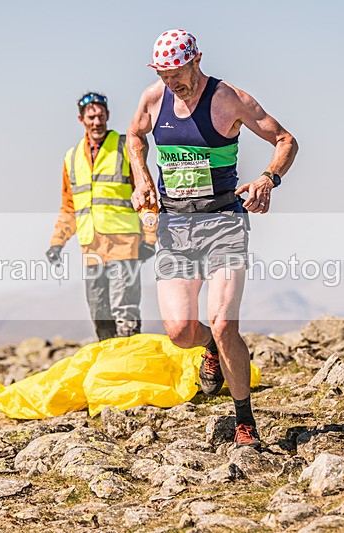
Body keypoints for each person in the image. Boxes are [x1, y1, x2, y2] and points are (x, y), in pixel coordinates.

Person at [127, 30, 298, 447]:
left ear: (197, 60)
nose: (173, 82)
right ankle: (207, 351)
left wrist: (267, 179)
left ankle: (245, 423)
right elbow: (134, 136)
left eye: (179, 72)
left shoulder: (229, 99)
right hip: (175, 227)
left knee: (224, 324)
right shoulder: (153, 98)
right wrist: (142, 178)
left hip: (223, 221)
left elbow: (285, 140)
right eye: (164, 74)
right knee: (182, 331)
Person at [47, 92, 157, 341]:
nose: (97, 122)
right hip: (91, 248)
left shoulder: (125, 147)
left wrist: (150, 238)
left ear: (107, 116)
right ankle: (109, 370)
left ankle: (129, 364)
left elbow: (147, 193)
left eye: (101, 116)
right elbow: (69, 206)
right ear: (81, 119)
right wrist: (57, 243)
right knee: (99, 313)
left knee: (124, 311)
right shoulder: (71, 157)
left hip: (125, 244)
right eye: (91, 117)